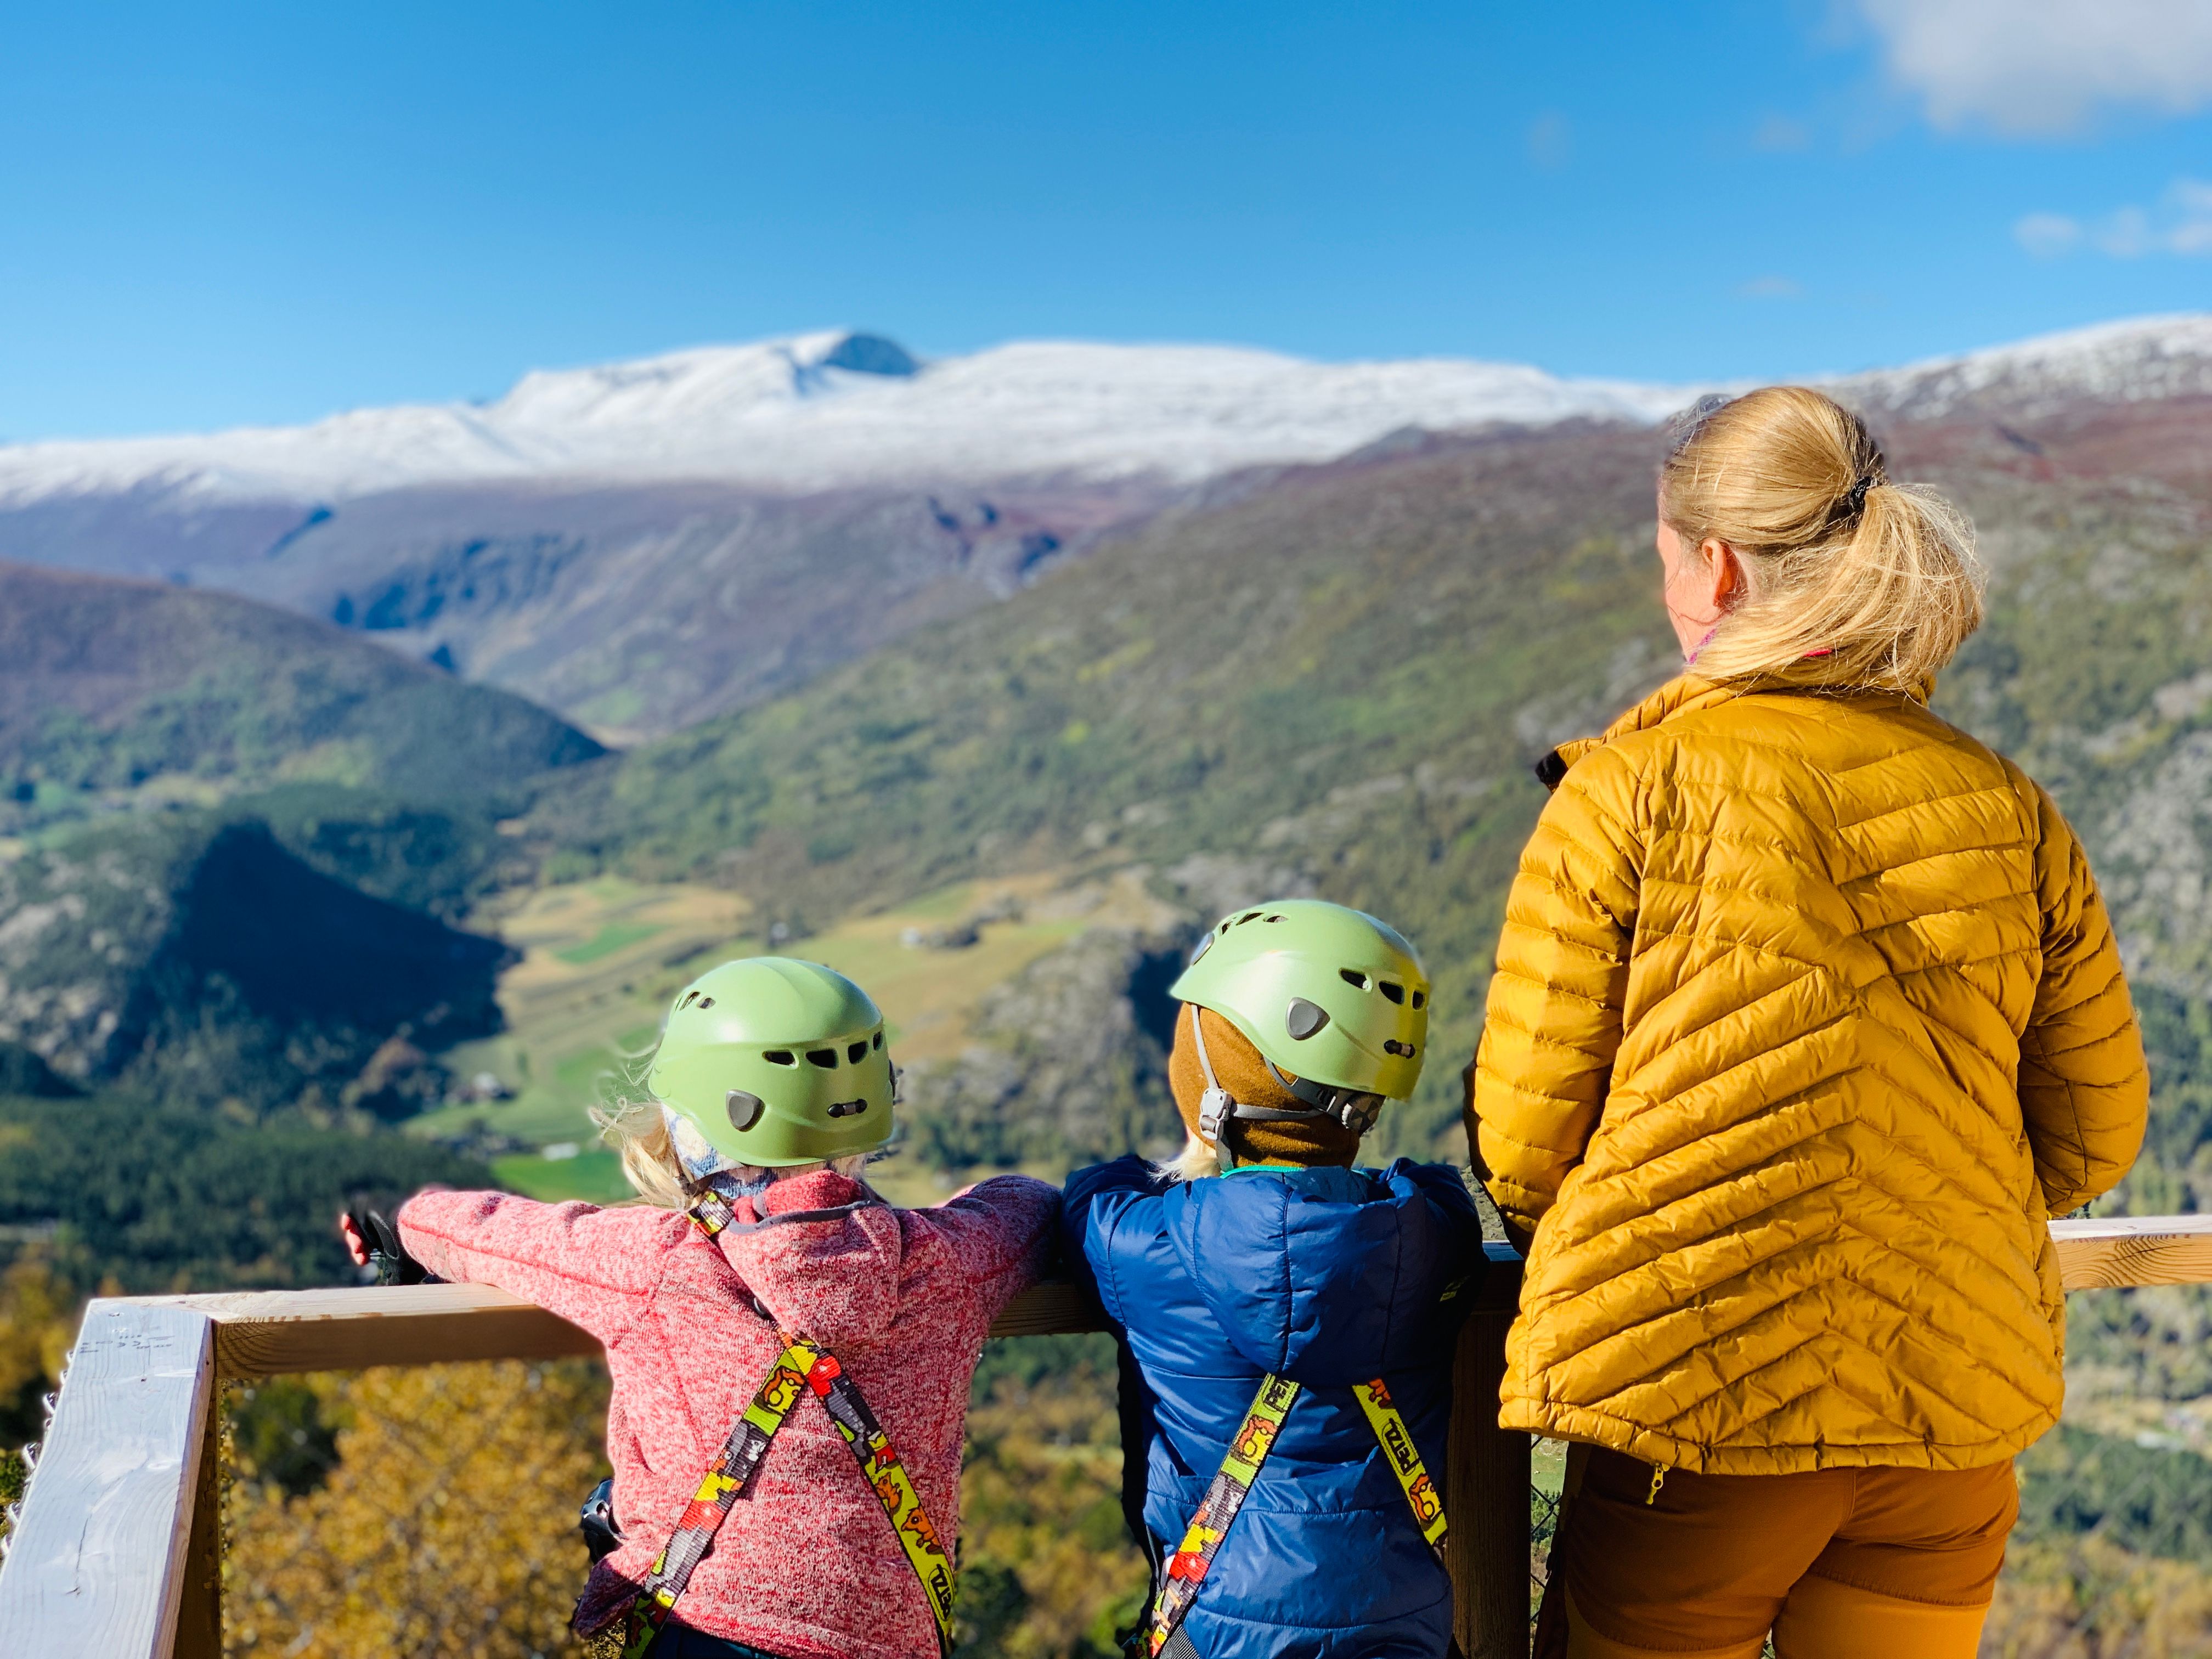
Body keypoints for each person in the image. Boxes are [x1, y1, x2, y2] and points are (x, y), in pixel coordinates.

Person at [1465, 386, 2149, 1659]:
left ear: (1713, 567)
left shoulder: (1629, 792)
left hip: (1701, 1415)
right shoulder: (2011, 808)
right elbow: (2093, 1142)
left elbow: (1523, 1143)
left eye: (1667, 560)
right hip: (1953, 1415)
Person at [341, 957, 1058, 1659]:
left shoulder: (655, 1264)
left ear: (693, 1131)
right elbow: (1028, 1205)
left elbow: (469, 1229)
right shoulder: (953, 1262)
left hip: (705, 1630)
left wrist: (400, 1241)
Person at [1064, 900, 1486, 1659]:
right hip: (1408, 1633)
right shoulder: (1431, 1232)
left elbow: (1096, 1191)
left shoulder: (1145, 1245)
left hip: (1221, 1632)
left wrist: (1194, 1154)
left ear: (1211, 1083)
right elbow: (1441, 1187)